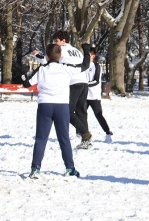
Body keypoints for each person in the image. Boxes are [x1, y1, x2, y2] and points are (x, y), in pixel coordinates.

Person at [25, 43, 90, 179]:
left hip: (45, 106)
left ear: (47, 57)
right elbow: (85, 66)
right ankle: (70, 168)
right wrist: (86, 51)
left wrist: (25, 74)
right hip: (61, 106)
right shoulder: (66, 68)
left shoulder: (42, 69)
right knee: (64, 138)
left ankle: (35, 169)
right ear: (60, 56)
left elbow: (27, 84)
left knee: (41, 139)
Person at [32, 30, 92, 149]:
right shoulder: (76, 51)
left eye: (56, 41)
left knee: (68, 112)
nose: (54, 43)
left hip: (73, 82)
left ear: (63, 41)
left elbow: (48, 61)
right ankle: (85, 139)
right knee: (81, 112)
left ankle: (85, 134)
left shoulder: (62, 50)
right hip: (83, 82)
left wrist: (36, 55)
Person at [85, 47, 113, 143]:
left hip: (94, 96)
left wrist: (85, 84)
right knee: (81, 115)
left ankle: (108, 133)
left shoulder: (97, 66)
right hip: (84, 95)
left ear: (93, 56)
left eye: (88, 55)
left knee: (98, 115)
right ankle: (84, 133)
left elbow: (96, 81)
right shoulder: (82, 66)